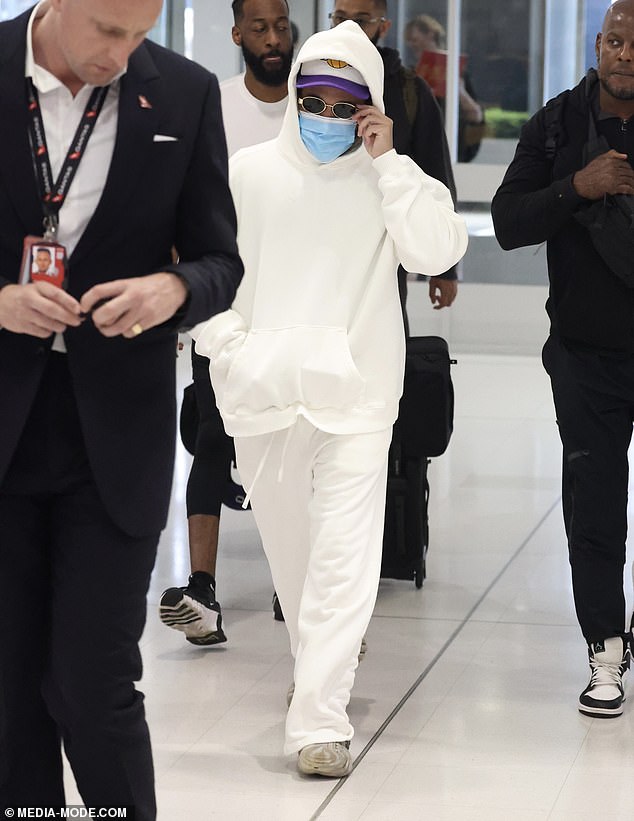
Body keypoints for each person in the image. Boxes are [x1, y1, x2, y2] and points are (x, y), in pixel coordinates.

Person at [192, 20, 467, 777]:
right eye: (311, 98)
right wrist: (227, 346)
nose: (324, 116)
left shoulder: (390, 180)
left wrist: (391, 166)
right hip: (264, 394)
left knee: (345, 563)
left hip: (357, 398)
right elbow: (207, 262)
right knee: (296, 563)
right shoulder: (248, 171)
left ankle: (318, 719)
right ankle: (321, 661)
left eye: (344, 103)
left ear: (370, 106)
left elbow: (437, 249)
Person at [0, 0, 242, 816]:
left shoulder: (182, 93)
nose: (124, 53)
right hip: (5, 425)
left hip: (116, 438)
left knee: (91, 680)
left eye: (141, 33)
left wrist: (173, 287)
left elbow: (220, 262)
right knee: (8, 689)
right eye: (108, 30)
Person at [491, 0, 634, 719]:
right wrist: (578, 186)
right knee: (596, 500)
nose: (625, 54)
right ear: (597, 44)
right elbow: (507, 220)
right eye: (614, 40)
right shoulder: (555, 123)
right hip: (585, 352)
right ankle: (604, 648)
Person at [159, 0, 293, 646]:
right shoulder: (211, 102)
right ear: (236, 32)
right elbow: (188, 194)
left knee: (291, 444)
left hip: (295, 304)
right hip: (228, 302)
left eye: (282, 25)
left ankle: (292, 582)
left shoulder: (311, 104)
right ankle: (203, 590)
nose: (273, 39)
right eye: (260, 28)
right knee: (213, 434)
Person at [330, 0, 459, 325]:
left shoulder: (408, 91)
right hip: (322, 248)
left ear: (383, 26)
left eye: (361, 20)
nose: (349, 29)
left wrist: (444, 269)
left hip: (384, 253)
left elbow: (435, 172)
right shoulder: (316, 81)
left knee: (382, 343)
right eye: (341, 18)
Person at [404, 13, 484, 163]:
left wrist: (459, 90)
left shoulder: (457, 72)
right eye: (409, 41)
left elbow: (476, 117)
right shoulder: (410, 74)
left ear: (431, 34)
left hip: (453, 146)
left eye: (415, 39)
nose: (412, 45)